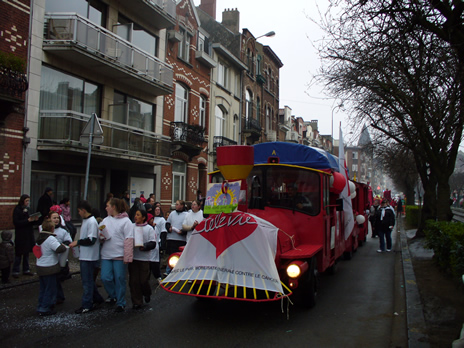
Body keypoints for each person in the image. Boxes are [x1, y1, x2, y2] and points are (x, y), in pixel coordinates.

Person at [99, 198, 133, 313]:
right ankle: (113, 294)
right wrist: (101, 236)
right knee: (105, 277)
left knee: (119, 278)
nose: (106, 208)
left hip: (119, 255)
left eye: (107, 205)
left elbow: (129, 239)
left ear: (114, 207)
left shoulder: (126, 221)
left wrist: (127, 256)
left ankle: (120, 302)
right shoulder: (105, 220)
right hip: (106, 254)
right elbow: (100, 234)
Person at [69, 200, 104, 314]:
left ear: (83, 210)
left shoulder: (91, 222)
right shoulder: (86, 221)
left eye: (79, 211)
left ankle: (87, 304)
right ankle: (97, 299)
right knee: (89, 280)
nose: (78, 213)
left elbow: (91, 240)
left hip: (89, 257)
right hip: (86, 255)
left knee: (87, 281)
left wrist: (77, 242)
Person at [35, 219, 67, 316]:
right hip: (49, 267)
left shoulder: (39, 238)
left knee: (43, 288)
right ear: (52, 228)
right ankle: (45, 308)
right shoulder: (50, 239)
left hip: (40, 266)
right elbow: (59, 249)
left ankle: (41, 305)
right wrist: (63, 246)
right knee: (50, 288)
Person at [129, 209, 156, 309]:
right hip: (134, 257)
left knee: (143, 280)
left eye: (138, 215)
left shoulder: (149, 229)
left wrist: (144, 246)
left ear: (144, 217)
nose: (135, 216)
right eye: (135, 215)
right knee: (134, 281)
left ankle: (147, 292)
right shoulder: (131, 226)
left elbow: (153, 243)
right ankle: (137, 301)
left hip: (144, 258)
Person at [12, 194, 38, 278]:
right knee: (19, 253)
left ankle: (26, 269)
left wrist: (34, 220)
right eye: (26, 201)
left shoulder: (28, 209)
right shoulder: (17, 209)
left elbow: (30, 220)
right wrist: (27, 220)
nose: (27, 202)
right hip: (21, 233)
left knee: (26, 252)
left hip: (28, 233)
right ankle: (16, 270)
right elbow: (16, 222)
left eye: (28, 201)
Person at [48, 208, 72, 293]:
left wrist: (63, 244)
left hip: (61, 259)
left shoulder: (63, 231)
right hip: (50, 259)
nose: (56, 220)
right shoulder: (46, 230)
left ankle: (58, 296)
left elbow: (69, 241)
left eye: (57, 218)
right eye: (54, 218)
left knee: (58, 279)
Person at [164, 200, 188, 276]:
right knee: (171, 254)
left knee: (180, 256)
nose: (176, 206)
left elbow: (187, 226)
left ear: (182, 206)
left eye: (177, 204)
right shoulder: (172, 214)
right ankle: (168, 270)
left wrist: (183, 232)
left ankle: (181, 271)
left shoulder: (186, 214)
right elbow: (167, 223)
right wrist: (169, 228)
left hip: (181, 239)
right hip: (172, 237)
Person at [150, 207, 166, 282]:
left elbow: (163, 232)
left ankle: (158, 276)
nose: (157, 211)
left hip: (157, 242)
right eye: (155, 210)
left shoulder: (161, 220)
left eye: (159, 210)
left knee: (155, 262)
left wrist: (162, 244)